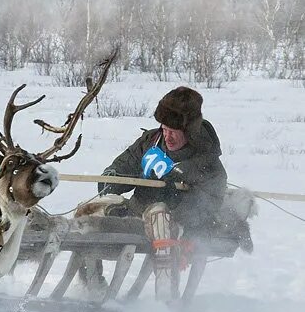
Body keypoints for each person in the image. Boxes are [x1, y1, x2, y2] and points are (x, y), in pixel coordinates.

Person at [78, 86, 227, 301]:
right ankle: (92, 291)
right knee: (86, 212)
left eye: (174, 131)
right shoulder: (151, 141)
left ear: (190, 131)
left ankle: (166, 296)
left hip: (173, 224)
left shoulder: (206, 160)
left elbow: (211, 202)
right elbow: (117, 172)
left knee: (159, 213)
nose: (167, 136)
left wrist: (174, 199)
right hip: (136, 212)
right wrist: (113, 179)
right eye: (164, 128)